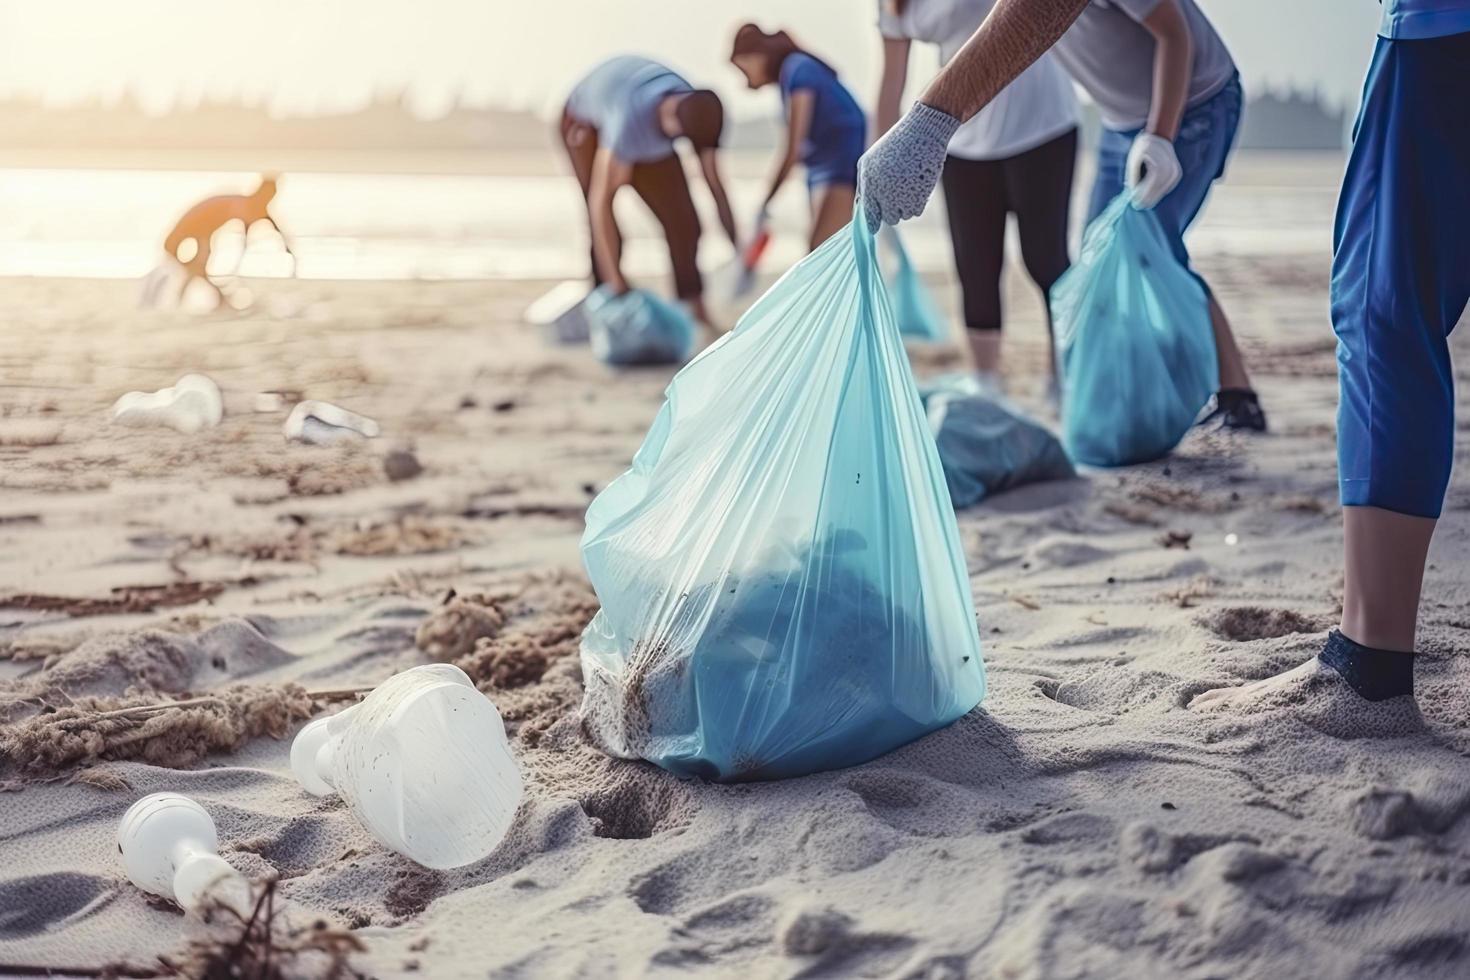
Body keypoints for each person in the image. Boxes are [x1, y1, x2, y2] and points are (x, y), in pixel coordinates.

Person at [861, 0, 1470, 736]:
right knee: (1116, 256)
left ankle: (1369, 660)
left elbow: (1106, 19)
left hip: (1235, 88)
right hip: (1144, 114)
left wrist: (933, 120)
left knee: (1372, 300)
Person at [867, 0, 1267, 431]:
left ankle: (1233, 395)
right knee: (1097, 262)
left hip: (1195, 102)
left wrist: (1160, 136)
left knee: (1151, 246)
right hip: (1120, 123)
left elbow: (1176, 34)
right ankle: (1136, 395)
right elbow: (1012, 30)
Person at [874, 0, 1079, 390]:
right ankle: (986, 384)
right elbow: (891, 83)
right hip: (960, 139)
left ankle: (1064, 376)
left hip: (1041, 125)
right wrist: (878, 158)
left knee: (1046, 259)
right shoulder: (892, 5)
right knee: (975, 268)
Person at [562, 55, 738, 327]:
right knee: (609, 232)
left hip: (643, 117)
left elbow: (714, 183)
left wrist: (738, 249)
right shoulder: (626, 125)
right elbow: (601, 205)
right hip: (585, 122)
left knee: (685, 222)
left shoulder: (699, 109)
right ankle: (607, 305)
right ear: (672, 123)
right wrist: (618, 283)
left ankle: (693, 308)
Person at [730, 25, 867, 251]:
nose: (744, 79)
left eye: (742, 68)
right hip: (818, 166)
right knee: (827, 251)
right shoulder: (789, 76)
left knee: (821, 251)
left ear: (756, 56)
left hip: (840, 164)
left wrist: (766, 200)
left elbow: (793, 148)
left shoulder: (798, 70)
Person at [152, 174, 293, 308]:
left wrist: (289, 252)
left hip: (200, 232)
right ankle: (206, 299)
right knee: (196, 268)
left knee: (197, 268)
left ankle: (216, 299)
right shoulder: (245, 206)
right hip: (194, 230)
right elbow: (244, 239)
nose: (270, 199)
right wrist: (236, 268)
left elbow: (273, 229)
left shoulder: (253, 206)